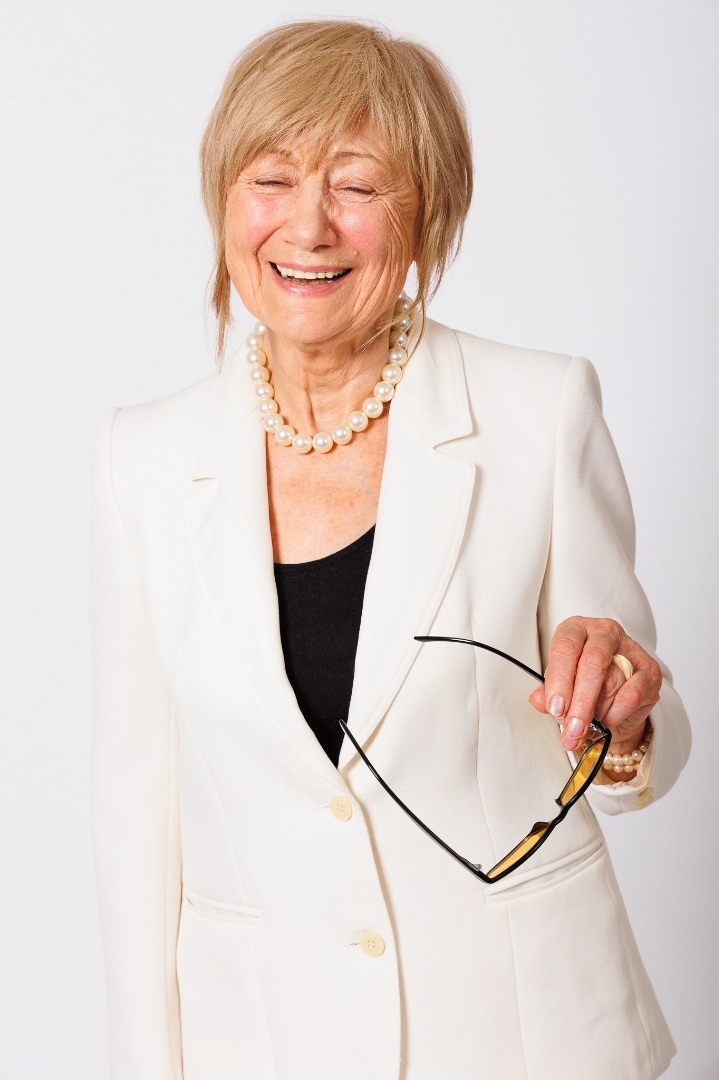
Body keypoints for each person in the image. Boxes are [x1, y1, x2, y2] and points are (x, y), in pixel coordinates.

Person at [91, 19, 690, 1080]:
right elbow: (136, 816)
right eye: (270, 179)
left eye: (357, 186)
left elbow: (639, 739)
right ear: (224, 200)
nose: (308, 225)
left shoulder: (538, 411)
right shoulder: (141, 458)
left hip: (520, 1043)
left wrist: (628, 718)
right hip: (263, 1047)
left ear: (425, 215)